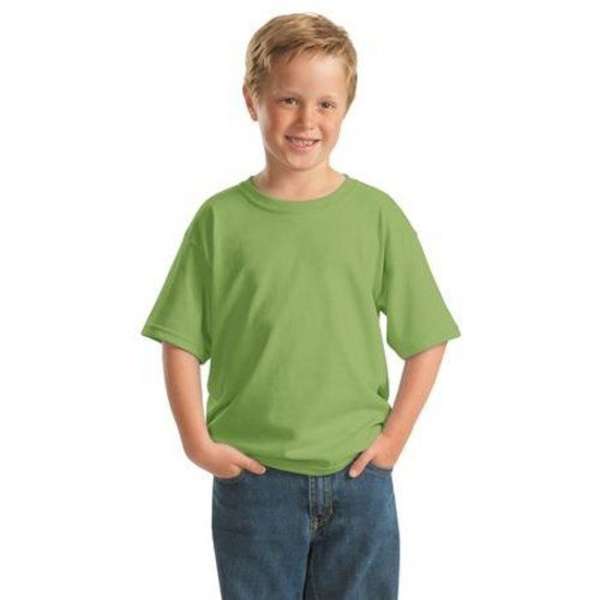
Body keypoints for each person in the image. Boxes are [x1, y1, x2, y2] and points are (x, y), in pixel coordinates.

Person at [141, 12, 461, 599]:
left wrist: (393, 439)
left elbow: (428, 338)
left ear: (346, 108)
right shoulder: (220, 220)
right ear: (252, 100)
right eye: (288, 99)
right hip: (253, 481)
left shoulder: (376, 215)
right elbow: (179, 339)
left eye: (325, 104)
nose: (307, 120)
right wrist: (196, 443)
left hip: (359, 477)